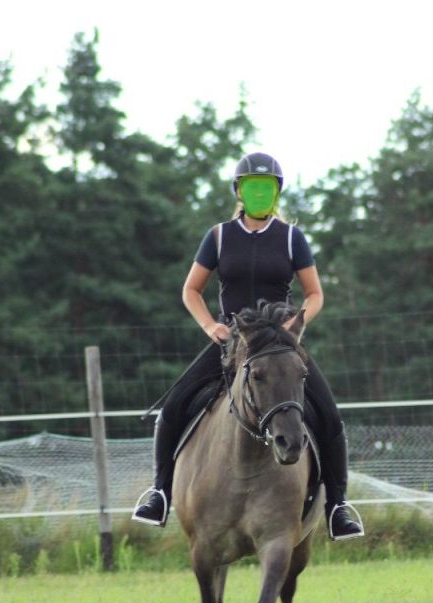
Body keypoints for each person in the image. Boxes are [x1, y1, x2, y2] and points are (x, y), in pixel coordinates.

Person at [131, 152, 365, 541]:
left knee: (329, 414)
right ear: (239, 191)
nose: (260, 194)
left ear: (276, 193)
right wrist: (209, 325)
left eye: (267, 188)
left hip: (279, 343)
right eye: (253, 188)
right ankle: (159, 493)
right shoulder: (219, 236)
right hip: (233, 340)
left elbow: (315, 294)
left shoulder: (292, 237)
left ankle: (337, 506)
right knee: (172, 408)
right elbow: (191, 289)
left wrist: (296, 324)